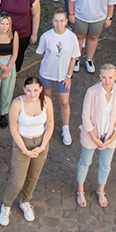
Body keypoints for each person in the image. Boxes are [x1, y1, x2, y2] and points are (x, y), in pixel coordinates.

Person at [0, 76, 54, 226]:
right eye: (29, 90)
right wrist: (24, 150)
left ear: (41, 89)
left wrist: (42, 146)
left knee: (33, 176)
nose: (32, 94)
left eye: (35, 90)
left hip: (40, 143)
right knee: (17, 181)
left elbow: (50, 125)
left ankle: (25, 201)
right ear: (24, 89)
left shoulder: (46, 102)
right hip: (22, 143)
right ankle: (6, 205)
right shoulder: (17, 103)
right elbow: (13, 129)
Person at [76, 64, 116, 209]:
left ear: (115, 77)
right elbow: (86, 116)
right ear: (100, 77)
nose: (107, 81)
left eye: (110, 78)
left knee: (105, 165)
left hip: (110, 136)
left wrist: (113, 137)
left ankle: (101, 190)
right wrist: (94, 137)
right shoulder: (92, 92)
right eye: (104, 77)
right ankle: (80, 190)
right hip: (91, 135)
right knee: (85, 162)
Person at [36, 10, 81, 146]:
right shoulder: (46, 36)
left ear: (66, 21)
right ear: (52, 21)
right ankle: (46, 122)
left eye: (61, 20)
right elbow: (42, 53)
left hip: (63, 76)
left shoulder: (72, 37)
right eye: (56, 21)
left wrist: (69, 76)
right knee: (46, 99)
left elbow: (73, 58)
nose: (59, 23)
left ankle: (65, 128)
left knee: (64, 102)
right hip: (47, 73)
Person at [66, 0, 116, 74]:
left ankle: (89, 60)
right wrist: (71, 14)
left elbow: (111, 2)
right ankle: (76, 59)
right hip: (80, 16)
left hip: (98, 18)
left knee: (93, 37)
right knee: (79, 37)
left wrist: (109, 17)